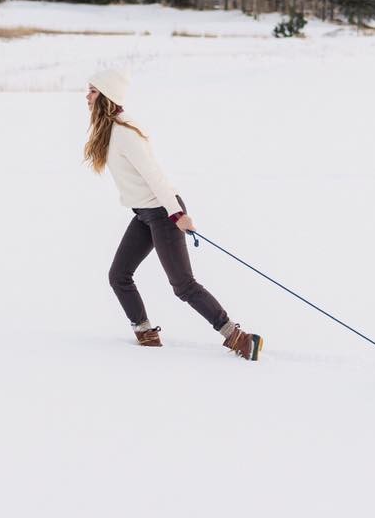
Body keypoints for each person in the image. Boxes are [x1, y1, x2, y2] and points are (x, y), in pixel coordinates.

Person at [83, 68, 262, 359]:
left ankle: (239, 338)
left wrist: (178, 214)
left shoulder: (126, 134)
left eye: (92, 91)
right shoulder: (110, 130)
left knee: (183, 285)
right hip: (144, 212)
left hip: (163, 212)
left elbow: (155, 177)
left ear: (106, 97)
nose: (87, 97)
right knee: (119, 275)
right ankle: (145, 334)